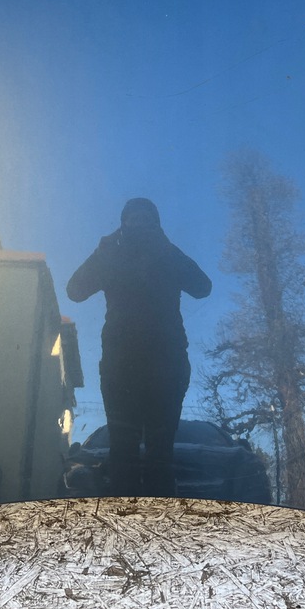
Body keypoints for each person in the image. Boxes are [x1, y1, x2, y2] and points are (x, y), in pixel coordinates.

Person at [67, 198, 211, 496]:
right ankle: (127, 516)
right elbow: (75, 291)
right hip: (122, 367)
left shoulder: (167, 255)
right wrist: (102, 252)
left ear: (157, 226)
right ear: (123, 225)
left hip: (166, 366)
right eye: (134, 219)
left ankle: (157, 517)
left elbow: (202, 287)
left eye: (147, 219)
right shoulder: (112, 257)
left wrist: (166, 248)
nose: (141, 224)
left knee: (161, 452)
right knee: (123, 451)